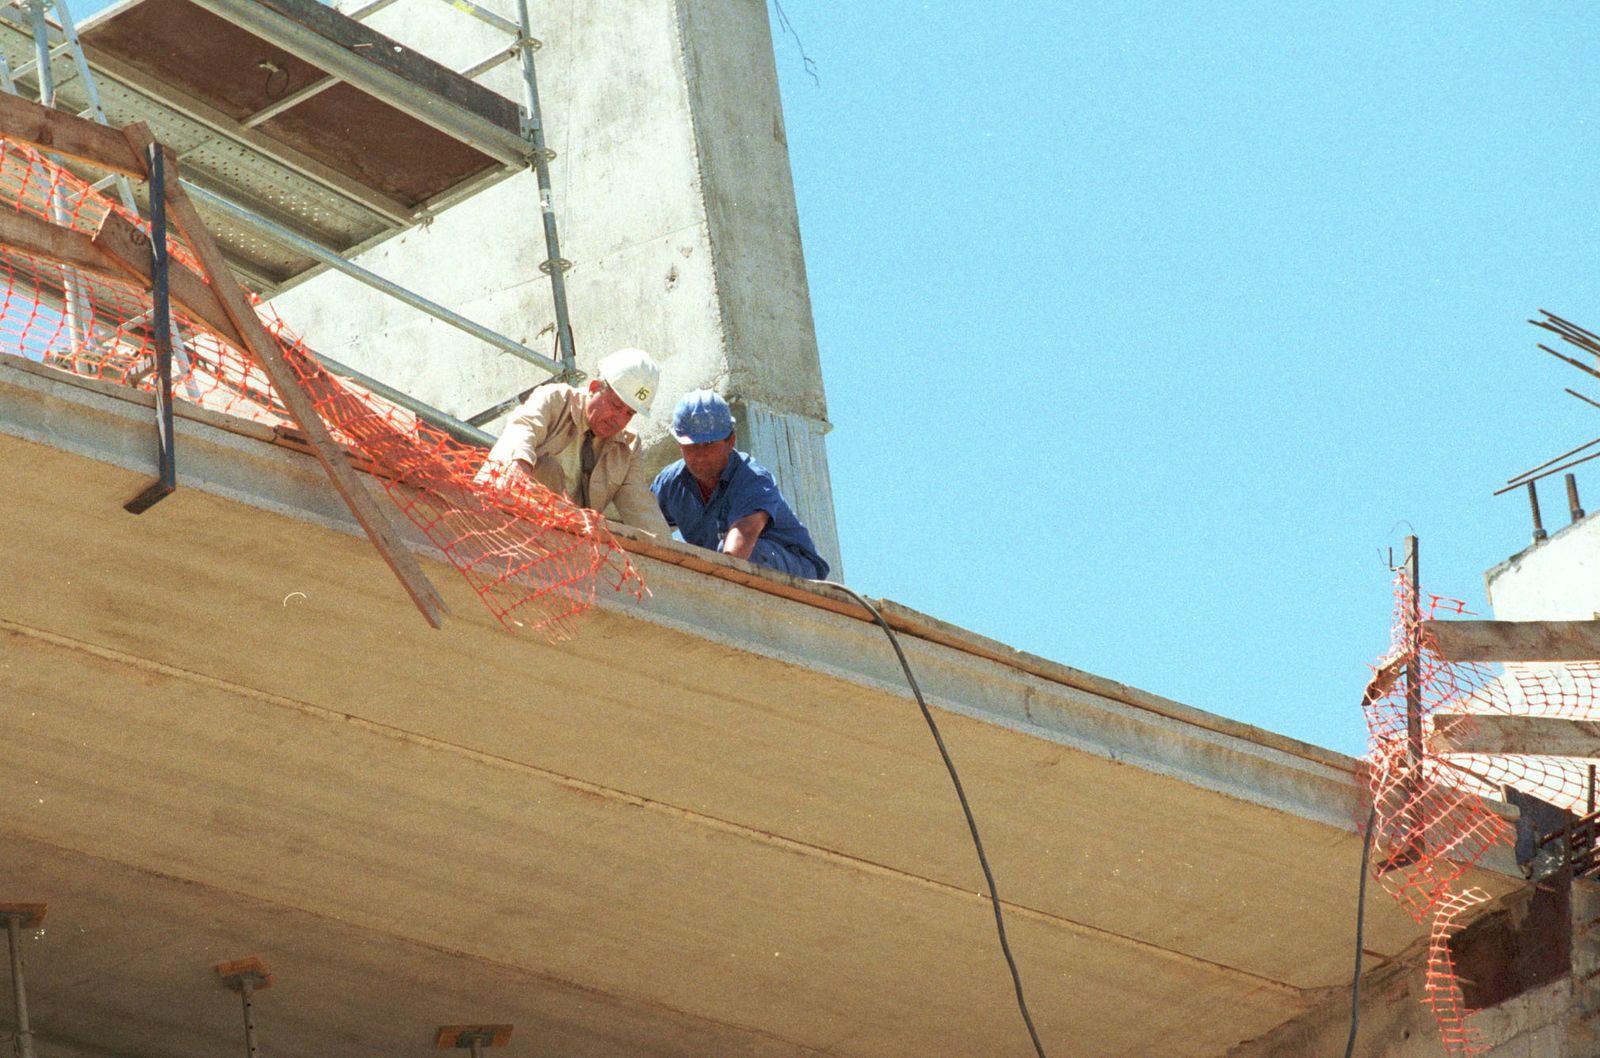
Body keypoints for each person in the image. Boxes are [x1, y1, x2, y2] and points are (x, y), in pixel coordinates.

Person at [476, 348, 671, 536]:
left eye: (629, 413)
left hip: (563, 547)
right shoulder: (554, 400)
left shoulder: (628, 446)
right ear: (594, 388)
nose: (619, 419)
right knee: (547, 469)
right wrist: (519, 467)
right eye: (616, 404)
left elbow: (642, 510)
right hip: (497, 519)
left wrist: (673, 555)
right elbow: (522, 431)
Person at [651, 390, 829, 579]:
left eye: (709, 444)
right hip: (727, 568)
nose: (700, 455)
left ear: (731, 441)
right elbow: (639, 519)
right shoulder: (671, 483)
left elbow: (740, 541)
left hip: (798, 573)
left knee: (735, 553)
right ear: (679, 445)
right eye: (691, 446)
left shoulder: (752, 479)